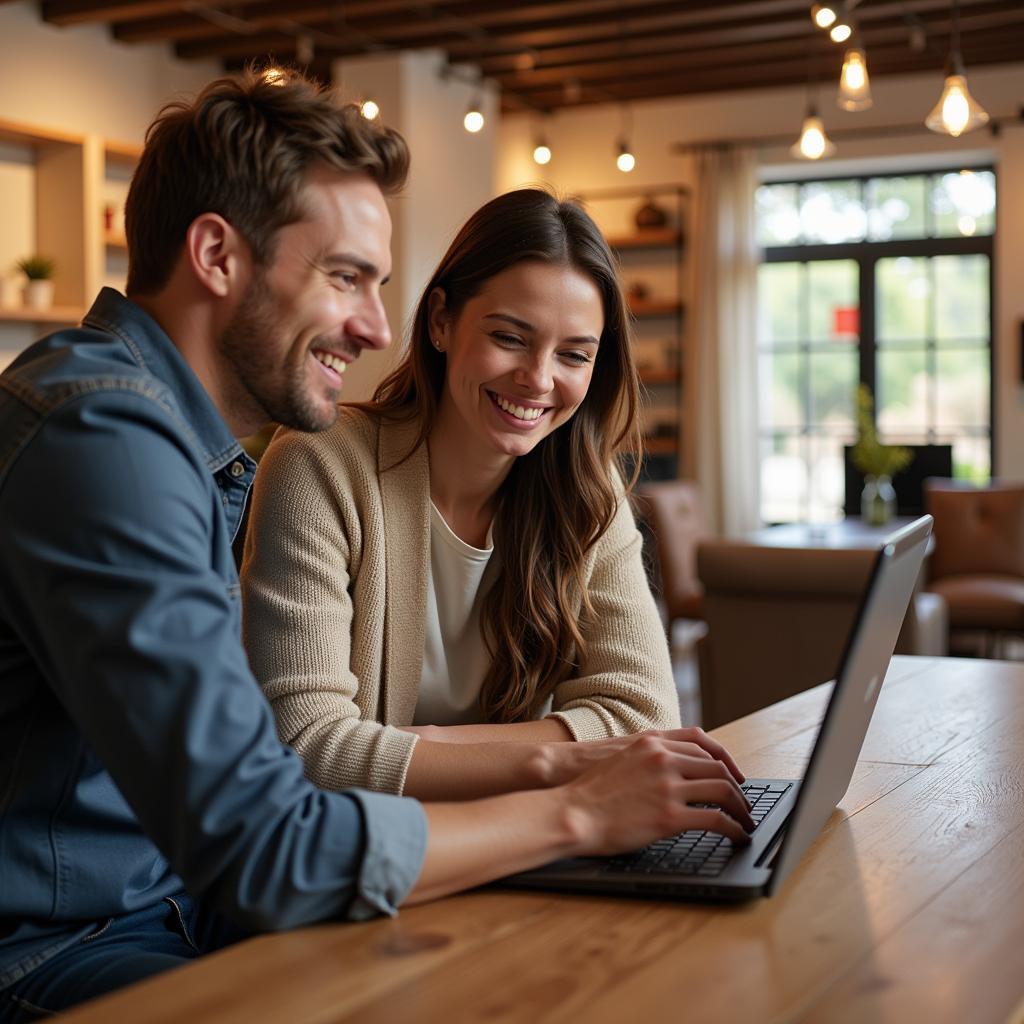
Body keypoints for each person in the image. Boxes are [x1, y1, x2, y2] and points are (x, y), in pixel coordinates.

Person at [0, 68, 752, 1020]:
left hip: (172, 908)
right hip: (57, 948)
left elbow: (258, 795)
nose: (377, 326)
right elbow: (270, 832)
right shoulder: (104, 441)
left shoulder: (183, 450)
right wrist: (574, 801)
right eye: (345, 277)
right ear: (217, 254)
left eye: (380, 285)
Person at [241, 188, 684, 801]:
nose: (538, 379)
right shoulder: (320, 464)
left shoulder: (588, 488)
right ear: (442, 320)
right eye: (509, 337)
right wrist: (552, 758)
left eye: (574, 355)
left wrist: (430, 745)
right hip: (364, 866)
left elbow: (646, 717)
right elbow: (305, 745)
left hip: (522, 850)